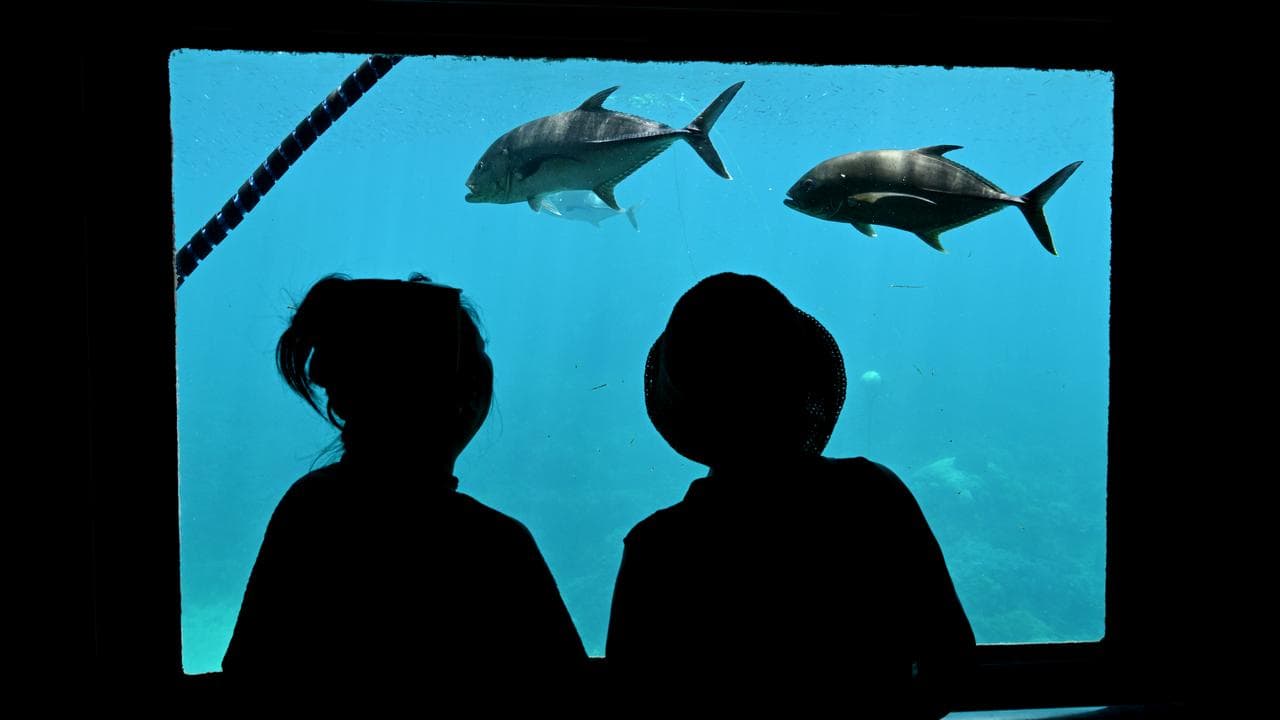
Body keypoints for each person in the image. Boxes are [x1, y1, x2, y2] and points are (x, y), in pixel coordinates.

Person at [606, 272, 975, 717]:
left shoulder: (657, 547)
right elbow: (952, 664)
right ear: (805, 387)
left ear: (681, 411)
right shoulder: (875, 497)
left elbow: (631, 708)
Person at [221, 273, 587, 698]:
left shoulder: (308, 507)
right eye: (476, 359)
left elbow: (249, 671)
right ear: (463, 395)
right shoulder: (497, 545)